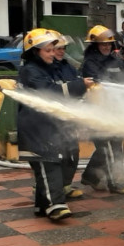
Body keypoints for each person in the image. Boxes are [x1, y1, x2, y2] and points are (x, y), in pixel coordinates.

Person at [18, 29, 93, 220]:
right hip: (37, 129)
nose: (54, 53)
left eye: (54, 49)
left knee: (52, 164)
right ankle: (56, 205)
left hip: (49, 128)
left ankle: (42, 206)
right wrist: (79, 86)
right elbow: (50, 91)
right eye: (49, 50)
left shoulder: (50, 68)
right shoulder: (30, 71)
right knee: (48, 165)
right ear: (35, 51)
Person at [80, 25, 124, 194]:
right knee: (109, 147)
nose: (106, 47)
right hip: (98, 112)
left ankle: (91, 177)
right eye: (103, 44)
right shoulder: (89, 63)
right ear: (94, 45)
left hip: (116, 110)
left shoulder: (115, 60)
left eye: (109, 44)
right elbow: (97, 84)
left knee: (113, 147)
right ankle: (116, 183)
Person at [51, 32, 85, 200]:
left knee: (72, 152)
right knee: (53, 156)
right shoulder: (45, 69)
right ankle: (46, 188)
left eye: (63, 48)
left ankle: (66, 185)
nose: (61, 51)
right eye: (58, 48)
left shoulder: (68, 67)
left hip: (69, 118)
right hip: (51, 121)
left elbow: (77, 89)